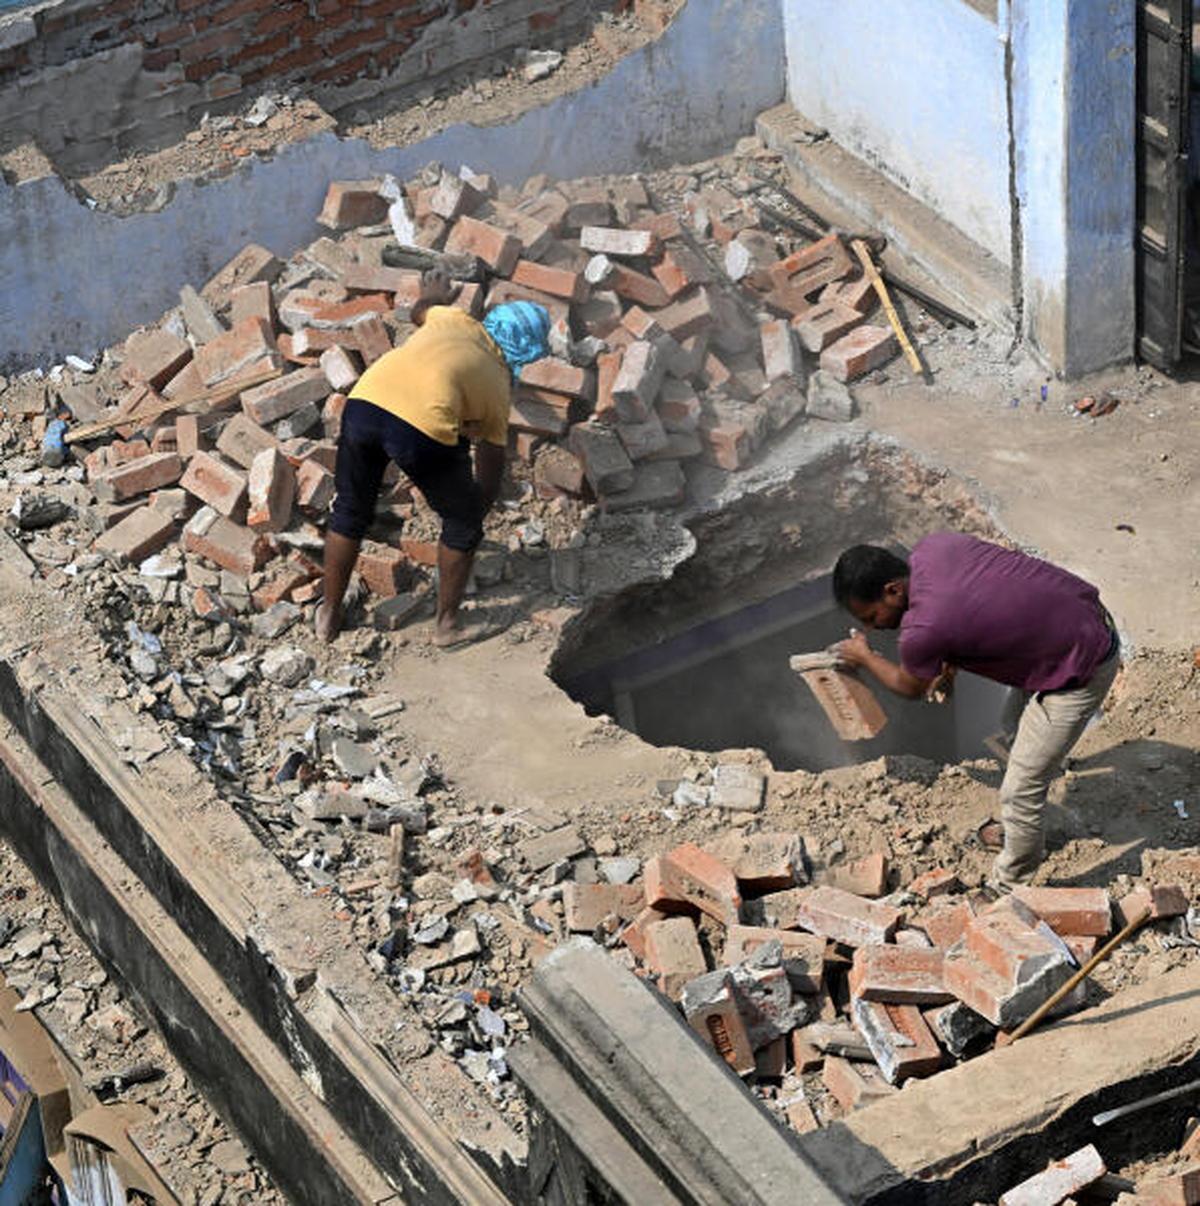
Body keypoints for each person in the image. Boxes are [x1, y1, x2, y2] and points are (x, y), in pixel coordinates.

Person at [829, 533, 1121, 890]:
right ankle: (1030, 814)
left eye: (872, 616)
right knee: (1010, 724)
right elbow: (976, 602)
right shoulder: (936, 547)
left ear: (892, 590)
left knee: (1019, 791)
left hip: (1084, 665)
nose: (872, 627)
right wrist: (948, 668)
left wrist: (864, 655)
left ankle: (1009, 884)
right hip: (1078, 621)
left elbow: (910, 687)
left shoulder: (922, 631)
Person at [317, 269, 550, 647]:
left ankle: (329, 614)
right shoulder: (497, 385)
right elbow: (489, 467)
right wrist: (473, 520)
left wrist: (433, 292)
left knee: (350, 510)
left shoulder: (454, 318)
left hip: (364, 401)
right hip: (417, 423)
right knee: (462, 523)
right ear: (525, 350)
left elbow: (422, 310)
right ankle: (448, 626)